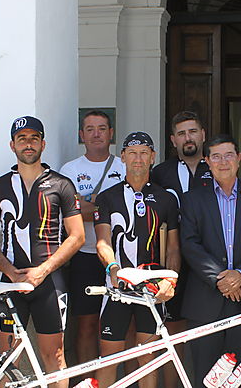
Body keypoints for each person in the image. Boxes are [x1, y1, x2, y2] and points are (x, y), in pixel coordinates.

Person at [0, 116, 85, 388]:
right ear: (12, 145)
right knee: (6, 360)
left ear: (43, 143)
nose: (28, 144)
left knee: (55, 356)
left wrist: (42, 271)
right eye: (22, 139)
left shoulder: (61, 184)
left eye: (34, 138)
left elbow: (77, 236)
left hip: (49, 283)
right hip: (9, 283)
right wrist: (10, 272)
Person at [180, 134, 241, 388]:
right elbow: (189, 244)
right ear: (207, 161)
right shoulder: (192, 199)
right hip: (205, 300)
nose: (223, 162)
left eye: (229, 155)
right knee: (205, 377)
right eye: (216, 157)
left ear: (239, 159)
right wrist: (221, 278)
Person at [94, 132, 180, 388]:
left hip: (152, 287)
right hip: (117, 286)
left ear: (153, 157)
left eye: (144, 153)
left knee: (147, 356)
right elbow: (102, 242)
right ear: (122, 157)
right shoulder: (107, 198)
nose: (138, 158)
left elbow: (174, 248)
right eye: (132, 153)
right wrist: (113, 268)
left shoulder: (166, 198)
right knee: (109, 357)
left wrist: (170, 280)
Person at [59, 110, 125, 371]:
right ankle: (90, 381)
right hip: (83, 256)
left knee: (122, 324)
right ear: (81, 135)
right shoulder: (70, 169)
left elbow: (127, 209)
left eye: (102, 128)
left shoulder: (124, 165)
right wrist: (104, 206)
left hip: (119, 257)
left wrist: (91, 206)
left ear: (111, 133)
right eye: (90, 129)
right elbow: (71, 213)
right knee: (86, 324)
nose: (96, 134)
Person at [150, 110, 211, 388]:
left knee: (207, 331)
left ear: (203, 135)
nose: (188, 138)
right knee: (173, 333)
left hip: (210, 262)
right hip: (171, 261)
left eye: (193, 131)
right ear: (173, 140)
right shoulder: (160, 173)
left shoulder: (216, 166)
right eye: (182, 133)